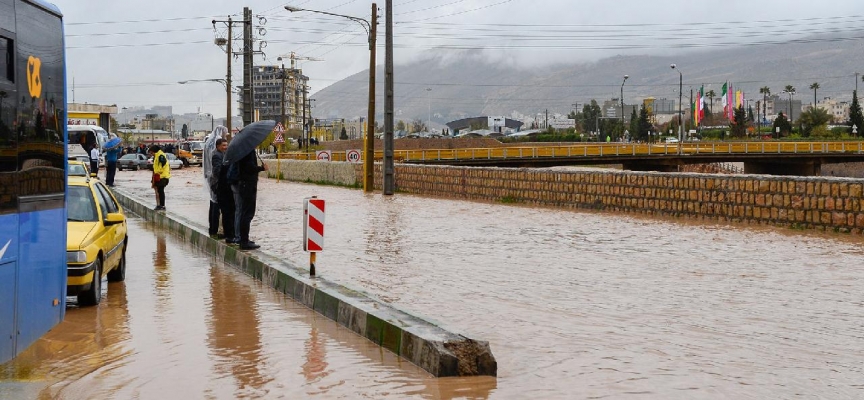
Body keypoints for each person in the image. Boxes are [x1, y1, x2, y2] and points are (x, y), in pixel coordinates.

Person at [228, 147, 267, 250]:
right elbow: (249, 168)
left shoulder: (244, 150)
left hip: (245, 184)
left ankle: (244, 239)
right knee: (247, 213)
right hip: (248, 185)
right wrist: (261, 168)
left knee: (245, 213)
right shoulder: (248, 151)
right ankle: (244, 241)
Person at [204, 126, 229, 237]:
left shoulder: (208, 143)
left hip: (210, 178)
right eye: (226, 133)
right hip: (217, 181)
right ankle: (217, 229)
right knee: (218, 206)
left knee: (213, 203)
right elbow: (218, 168)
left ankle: (212, 228)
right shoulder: (216, 150)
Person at [211, 138, 236, 243]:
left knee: (230, 212)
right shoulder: (217, 156)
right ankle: (228, 234)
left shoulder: (225, 155)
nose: (225, 147)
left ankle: (230, 233)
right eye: (223, 145)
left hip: (227, 187)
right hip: (221, 187)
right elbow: (218, 171)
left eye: (226, 145)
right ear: (218, 146)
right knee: (226, 212)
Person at [148, 144, 171, 210]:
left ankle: (162, 205)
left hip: (162, 176)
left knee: (160, 190)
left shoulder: (161, 156)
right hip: (158, 176)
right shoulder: (157, 156)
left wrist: (158, 172)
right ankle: (160, 205)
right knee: (158, 190)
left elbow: (163, 165)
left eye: (151, 152)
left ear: (154, 151)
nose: (151, 154)